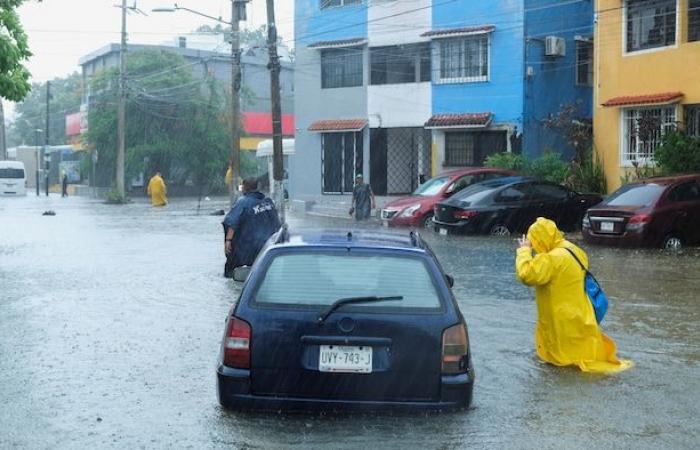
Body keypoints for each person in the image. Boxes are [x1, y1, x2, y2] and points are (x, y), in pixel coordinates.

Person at [515, 217, 632, 374]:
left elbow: (526, 275)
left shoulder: (552, 259)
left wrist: (524, 251)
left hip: (561, 319)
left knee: (562, 362)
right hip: (580, 312)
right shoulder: (573, 250)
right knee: (579, 353)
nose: (536, 248)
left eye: (535, 243)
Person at [223, 177, 281, 278]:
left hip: (249, 249)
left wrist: (228, 240)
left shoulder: (243, 203)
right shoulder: (268, 202)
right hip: (269, 246)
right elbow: (277, 224)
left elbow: (232, 222)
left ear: (244, 188)